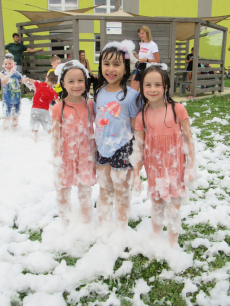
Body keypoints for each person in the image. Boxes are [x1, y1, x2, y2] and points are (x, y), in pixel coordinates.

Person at [133, 64, 196, 248]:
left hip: (175, 166)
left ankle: (171, 245)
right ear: (142, 87)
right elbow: (138, 147)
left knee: (174, 206)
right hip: (154, 168)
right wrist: (136, 174)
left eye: (158, 85)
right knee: (157, 204)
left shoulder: (178, 110)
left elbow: (188, 140)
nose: (153, 89)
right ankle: (157, 239)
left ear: (166, 87)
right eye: (148, 85)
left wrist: (190, 167)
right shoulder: (141, 116)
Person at [94, 40, 141, 229]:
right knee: (104, 188)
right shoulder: (98, 93)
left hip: (123, 147)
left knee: (121, 189)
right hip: (102, 147)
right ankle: (104, 225)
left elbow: (135, 127)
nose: (111, 69)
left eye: (116, 64)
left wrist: (138, 156)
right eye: (106, 64)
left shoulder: (131, 95)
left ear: (125, 67)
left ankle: (121, 227)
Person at [51, 60, 96, 224]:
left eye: (80, 80)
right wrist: (57, 161)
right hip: (66, 157)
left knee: (85, 191)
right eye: (71, 81)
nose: (76, 85)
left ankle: (85, 223)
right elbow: (55, 137)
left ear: (86, 82)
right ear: (62, 83)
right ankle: (65, 222)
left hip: (85, 156)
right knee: (63, 191)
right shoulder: (58, 108)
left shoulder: (91, 105)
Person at [22, 72, 60, 142]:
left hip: (34, 110)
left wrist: (24, 79)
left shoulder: (39, 84)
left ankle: (34, 140)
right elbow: (58, 103)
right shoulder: (53, 92)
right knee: (49, 129)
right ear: (56, 83)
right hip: (44, 111)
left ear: (46, 78)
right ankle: (54, 140)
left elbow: (30, 80)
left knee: (34, 128)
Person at [0, 53, 26, 129]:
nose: (8, 65)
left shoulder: (17, 74)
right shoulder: (2, 73)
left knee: (15, 118)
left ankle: (15, 133)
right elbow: (4, 81)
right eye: (6, 64)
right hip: (7, 100)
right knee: (7, 118)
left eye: (10, 63)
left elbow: (24, 81)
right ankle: (6, 134)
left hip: (17, 100)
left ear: (14, 64)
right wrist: (11, 73)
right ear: (3, 64)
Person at [132, 25, 160, 91]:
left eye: (142, 33)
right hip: (141, 66)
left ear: (147, 34)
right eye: (140, 33)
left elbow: (157, 60)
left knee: (145, 87)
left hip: (148, 68)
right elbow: (142, 56)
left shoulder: (153, 45)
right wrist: (136, 56)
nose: (140, 35)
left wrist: (146, 60)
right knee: (135, 84)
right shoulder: (142, 44)